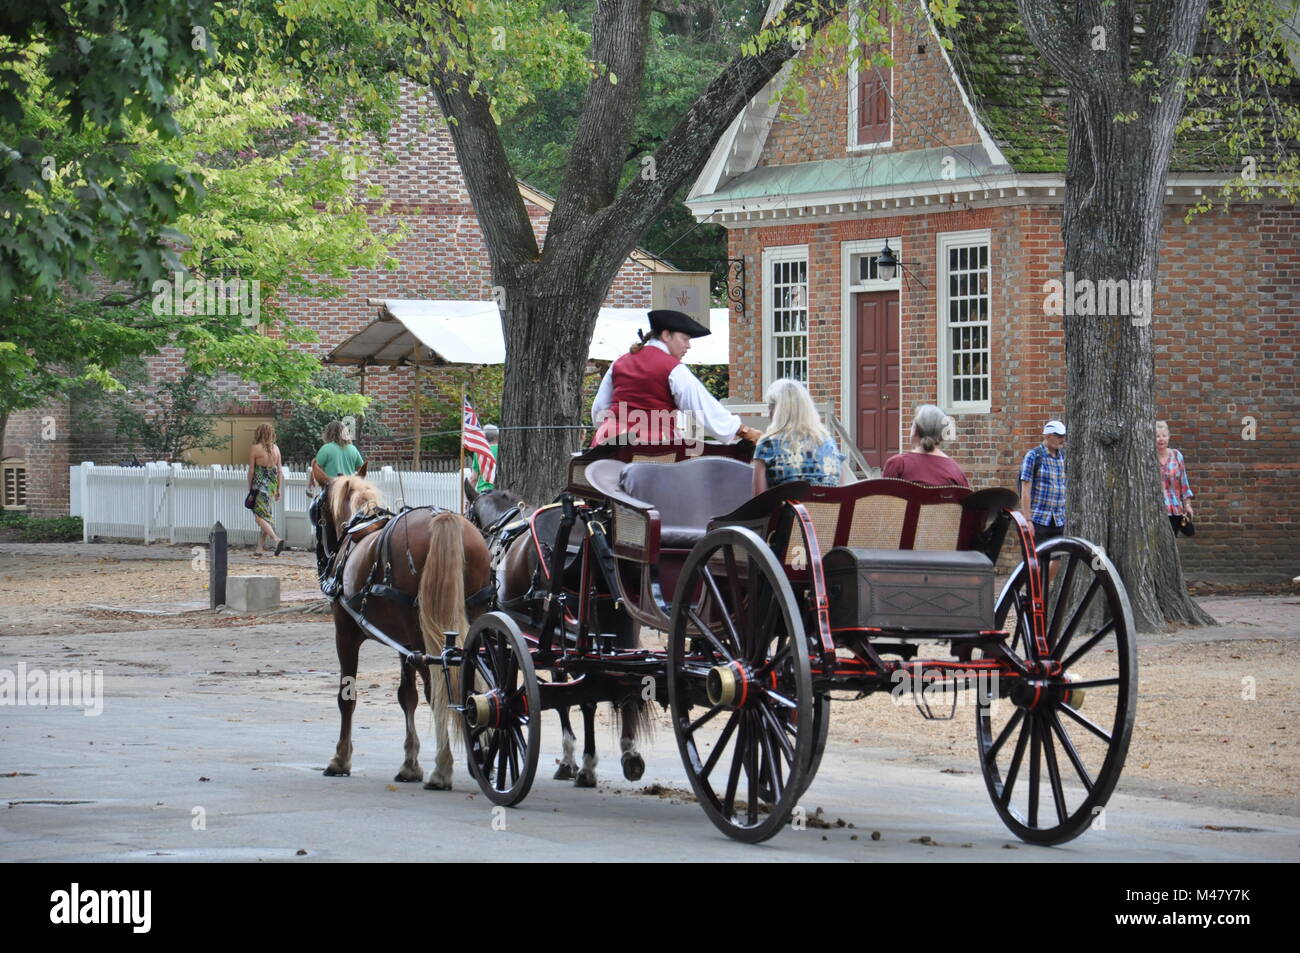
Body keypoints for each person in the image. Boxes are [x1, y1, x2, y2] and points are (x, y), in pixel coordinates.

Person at [591, 309, 763, 447]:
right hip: (652, 447)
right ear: (666, 335)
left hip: (608, 444)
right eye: (685, 338)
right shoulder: (673, 369)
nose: (688, 345)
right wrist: (746, 431)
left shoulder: (619, 362)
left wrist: (608, 429)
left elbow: (599, 409)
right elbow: (705, 409)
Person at [752, 379, 845, 494]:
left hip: (790, 511)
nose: (768, 414)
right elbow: (841, 491)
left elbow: (759, 501)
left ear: (778, 410)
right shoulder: (829, 442)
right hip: (830, 512)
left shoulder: (767, 444)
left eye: (770, 407)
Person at [882, 404, 969, 487]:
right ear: (942, 434)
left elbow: (884, 500)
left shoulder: (898, 464)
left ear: (915, 430)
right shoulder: (956, 471)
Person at [1019, 419, 1067, 542]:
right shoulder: (1034, 456)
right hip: (1038, 519)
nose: (1062, 439)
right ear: (1048, 436)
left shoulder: (1063, 457)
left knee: (1056, 557)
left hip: (1058, 520)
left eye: (1063, 436)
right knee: (1037, 559)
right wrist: (1028, 520)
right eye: (1059, 436)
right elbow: (1025, 490)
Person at [248, 422, 286, 556]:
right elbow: (280, 471)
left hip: (259, 487)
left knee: (259, 517)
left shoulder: (255, 448)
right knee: (265, 515)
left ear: (259, 433)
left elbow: (252, 471)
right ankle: (259, 548)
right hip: (271, 487)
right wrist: (278, 489)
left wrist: (250, 487)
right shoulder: (276, 449)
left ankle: (276, 539)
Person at [1156, 419, 1195, 536]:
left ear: (1169, 437)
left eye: (1164, 435)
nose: (1161, 439)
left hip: (1176, 510)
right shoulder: (1148, 457)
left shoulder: (1177, 455)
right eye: (1157, 436)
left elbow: (1184, 483)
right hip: (1157, 510)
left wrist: (1187, 505)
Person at [310, 420, 365, 489]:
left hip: (331, 488)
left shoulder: (326, 448)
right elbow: (361, 469)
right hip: (349, 488)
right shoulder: (353, 449)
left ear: (328, 433)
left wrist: (310, 484)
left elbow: (316, 468)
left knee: (318, 500)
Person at [471, 423, 499, 493]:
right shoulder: (504, 450)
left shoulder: (479, 452)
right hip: (500, 491)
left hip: (484, 491)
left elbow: (473, 478)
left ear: (483, 437)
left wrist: (468, 499)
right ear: (497, 437)